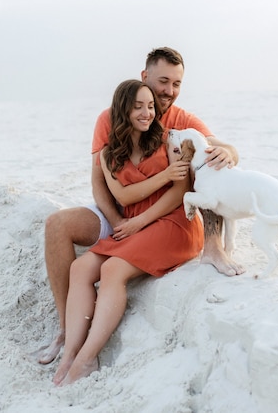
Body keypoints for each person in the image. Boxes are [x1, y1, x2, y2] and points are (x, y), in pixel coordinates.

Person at [39, 47, 241, 365]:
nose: (168, 91)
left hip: (159, 218)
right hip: (118, 213)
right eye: (163, 81)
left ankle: (215, 245)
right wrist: (119, 222)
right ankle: (66, 331)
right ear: (144, 77)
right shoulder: (108, 120)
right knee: (57, 225)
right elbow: (101, 183)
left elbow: (217, 149)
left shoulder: (180, 122)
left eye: (176, 84)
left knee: (112, 268)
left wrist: (230, 152)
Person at [53, 79, 203, 385]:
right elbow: (123, 197)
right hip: (137, 222)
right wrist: (161, 177)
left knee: (112, 269)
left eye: (150, 106)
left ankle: (86, 359)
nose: (148, 113)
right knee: (81, 267)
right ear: (123, 110)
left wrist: (141, 220)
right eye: (139, 107)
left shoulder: (166, 140)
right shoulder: (110, 153)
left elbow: (180, 192)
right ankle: (69, 353)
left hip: (173, 222)